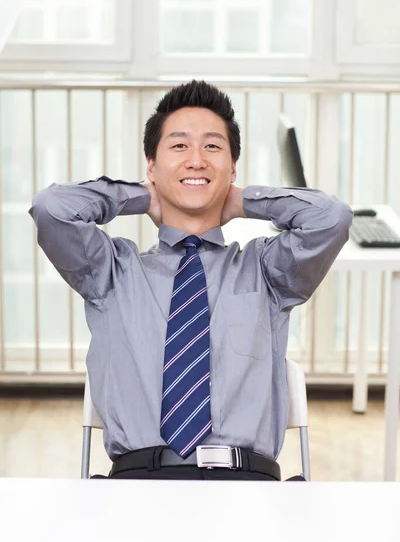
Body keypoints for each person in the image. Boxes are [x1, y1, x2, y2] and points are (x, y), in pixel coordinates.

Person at [29, 80, 353, 481]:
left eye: (213, 147)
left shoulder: (267, 271)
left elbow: (332, 218)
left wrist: (240, 201)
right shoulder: (112, 271)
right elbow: (51, 209)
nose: (197, 160)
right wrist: (144, 196)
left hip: (247, 485)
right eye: (179, 146)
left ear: (232, 168)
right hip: (137, 484)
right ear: (151, 165)